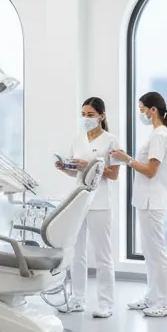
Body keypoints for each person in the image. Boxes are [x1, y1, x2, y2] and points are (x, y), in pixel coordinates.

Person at [110, 91, 167, 318]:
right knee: (149, 253)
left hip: (153, 201)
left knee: (158, 253)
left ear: (153, 110)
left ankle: (166, 304)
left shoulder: (159, 135)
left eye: (142, 110)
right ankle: (152, 296)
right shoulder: (157, 134)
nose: (141, 114)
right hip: (146, 201)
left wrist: (126, 159)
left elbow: (150, 171)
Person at [55, 97, 120, 318]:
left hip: (100, 203)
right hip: (78, 202)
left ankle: (105, 303)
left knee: (102, 254)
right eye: (83, 114)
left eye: (90, 115)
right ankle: (78, 299)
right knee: (76, 253)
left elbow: (114, 174)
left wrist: (91, 166)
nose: (86, 118)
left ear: (101, 116)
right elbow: (76, 172)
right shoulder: (78, 140)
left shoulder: (111, 141)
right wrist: (65, 167)